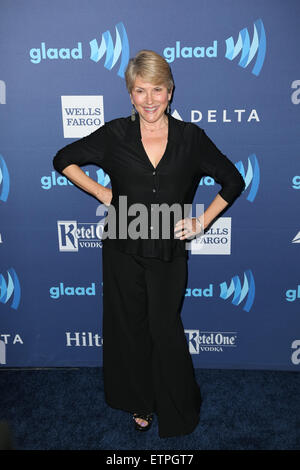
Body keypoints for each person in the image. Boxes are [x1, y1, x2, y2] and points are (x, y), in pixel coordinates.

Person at [53, 50, 245, 438]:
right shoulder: (114, 135)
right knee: (129, 329)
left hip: (168, 252)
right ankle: (140, 402)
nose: (150, 99)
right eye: (140, 91)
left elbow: (233, 181)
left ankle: (178, 406)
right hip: (122, 247)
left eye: (157, 89)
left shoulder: (191, 138)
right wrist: (103, 194)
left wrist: (201, 221)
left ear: (170, 92)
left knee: (165, 328)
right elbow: (63, 159)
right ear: (130, 94)